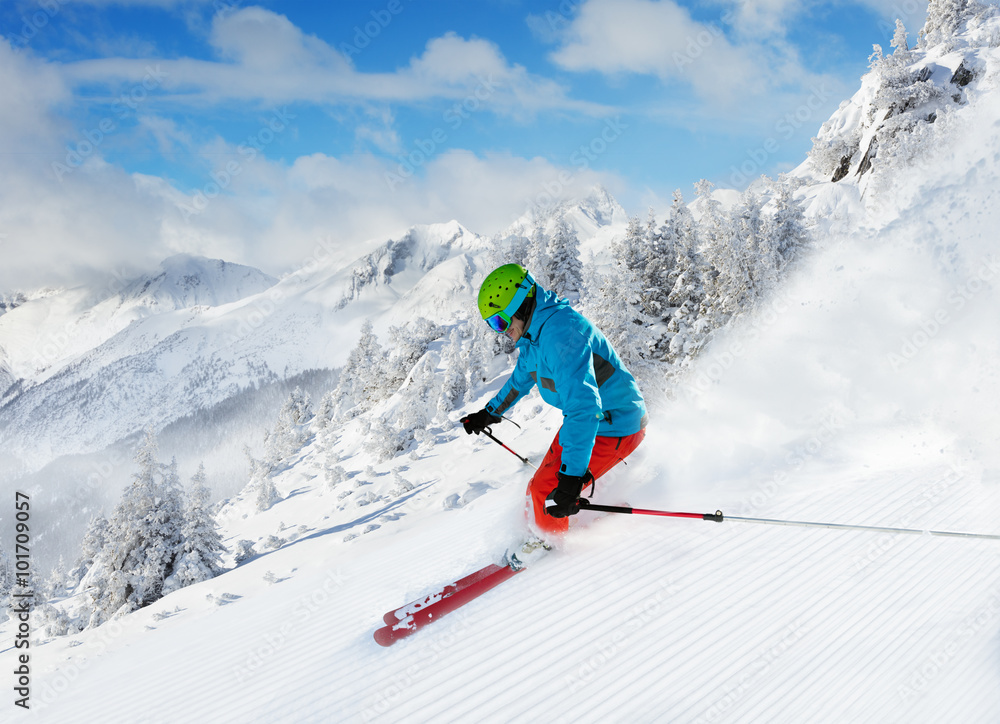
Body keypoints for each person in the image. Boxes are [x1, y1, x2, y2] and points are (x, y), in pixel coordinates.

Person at [461, 263, 647, 568]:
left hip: (615, 424)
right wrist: (488, 414)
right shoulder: (535, 337)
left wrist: (572, 478)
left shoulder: (561, 335)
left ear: (520, 304)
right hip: (592, 422)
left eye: (500, 321)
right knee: (540, 487)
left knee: (545, 489)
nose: (502, 332)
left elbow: (585, 407)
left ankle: (551, 555)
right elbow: (520, 380)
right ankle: (544, 531)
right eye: (493, 325)